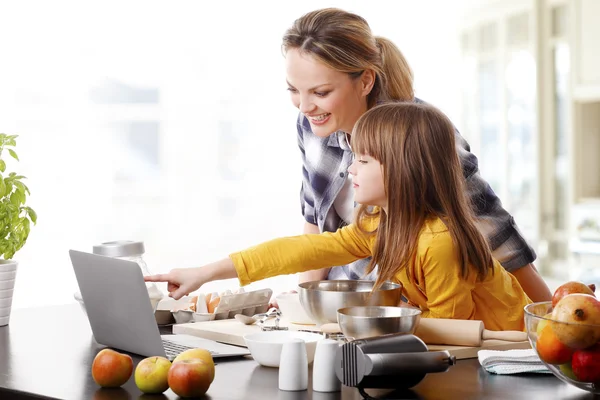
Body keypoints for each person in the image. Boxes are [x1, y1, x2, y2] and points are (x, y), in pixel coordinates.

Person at [145, 102, 532, 331]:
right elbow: (301, 251)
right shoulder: (378, 224)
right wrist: (203, 273)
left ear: (403, 169)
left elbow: (451, 332)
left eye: (362, 160)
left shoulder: (438, 242)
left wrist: (361, 322)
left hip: (506, 363)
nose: (350, 169)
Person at [281, 7, 551, 301]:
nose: (304, 107)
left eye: (320, 93)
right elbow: (316, 225)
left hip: (415, 314)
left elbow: (497, 238)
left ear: (366, 81)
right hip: (344, 304)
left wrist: (550, 320)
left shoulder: (419, 136)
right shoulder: (312, 126)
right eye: (294, 90)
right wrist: (303, 297)